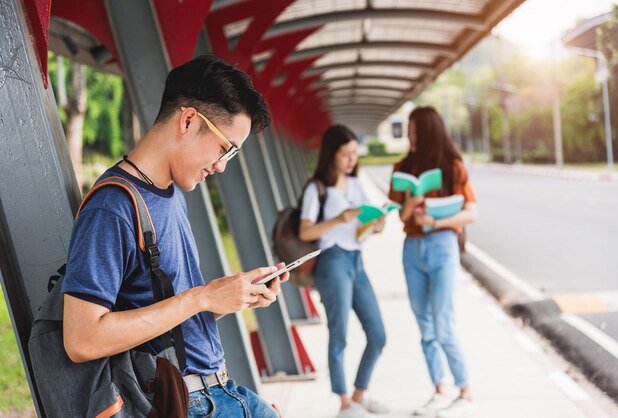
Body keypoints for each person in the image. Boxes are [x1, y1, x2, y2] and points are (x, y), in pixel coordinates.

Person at [61, 55, 286, 418]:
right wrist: (202, 297)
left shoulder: (169, 196)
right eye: (225, 147)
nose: (222, 164)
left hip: (219, 393)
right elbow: (81, 339)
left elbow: (164, 322)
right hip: (186, 402)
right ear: (188, 120)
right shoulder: (113, 206)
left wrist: (229, 297)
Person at [388, 107, 478, 418]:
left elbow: (471, 213)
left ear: (428, 132)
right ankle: (439, 390)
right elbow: (399, 215)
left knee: (443, 324)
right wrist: (411, 204)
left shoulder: (453, 167)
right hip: (412, 248)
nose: (410, 135)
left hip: (442, 246)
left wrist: (437, 221)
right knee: (425, 327)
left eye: (414, 130)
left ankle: (465, 391)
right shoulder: (402, 167)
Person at [299, 125, 388, 418]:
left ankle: (359, 395)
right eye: (346, 154)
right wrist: (338, 219)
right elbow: (305, 230)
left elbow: (361, 228)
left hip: (356, 260)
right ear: (331, 154)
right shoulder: (317, 188)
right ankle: (345, 403)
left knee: (377, 334)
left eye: (354, 154)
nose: (352, 160)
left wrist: (375, 225)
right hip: (333, 261)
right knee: (339, 334)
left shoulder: (356, 184)